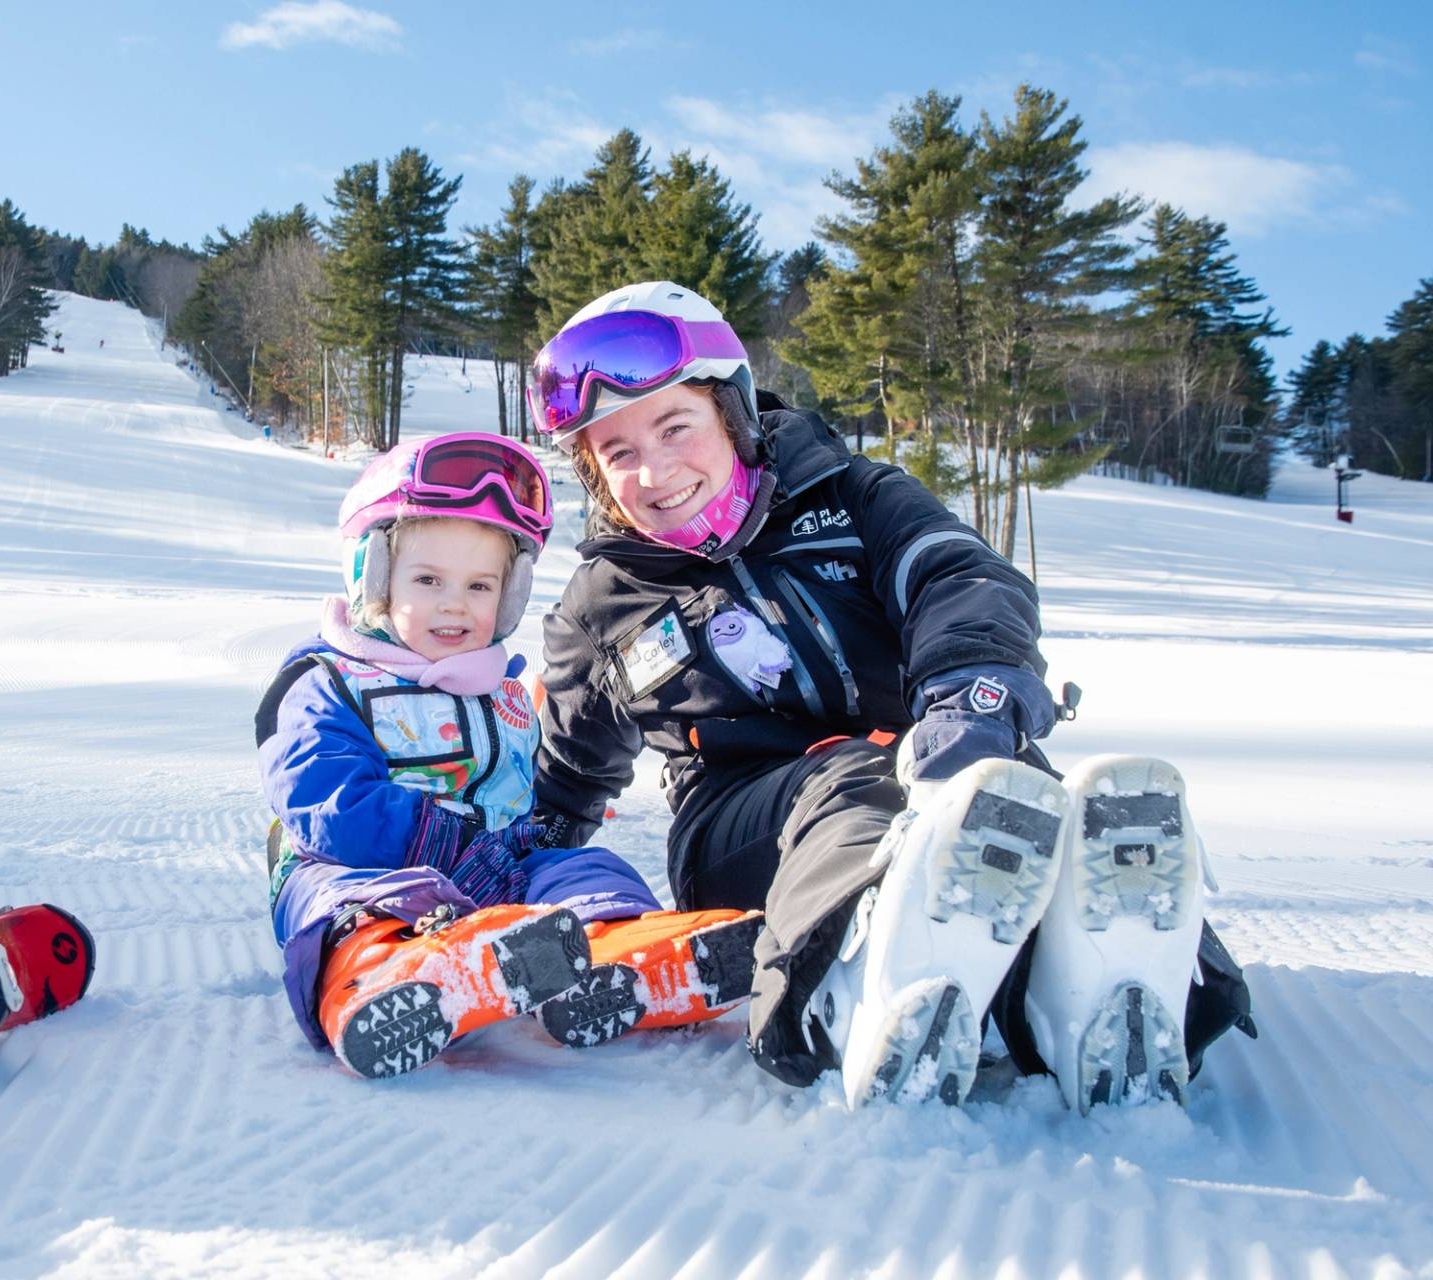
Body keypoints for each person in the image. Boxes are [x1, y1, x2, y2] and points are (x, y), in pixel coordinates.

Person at [526, 281, 1256, 1111]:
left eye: (674, 426)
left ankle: (1080, 991)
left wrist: (967, 702)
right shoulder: (602, 602)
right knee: (858, 778)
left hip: (938, 757)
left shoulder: (855, 497)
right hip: (742, 830)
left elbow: (962, 581)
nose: (654, 471)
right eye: (618, 452)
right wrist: (507, 864)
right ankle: (852, 983)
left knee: (1024, 802)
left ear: (730, 413)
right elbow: (567, 778)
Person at [255, 431, 763, 1079]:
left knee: (584, 870)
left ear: (510, 595)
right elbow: (327, 807)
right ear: (375, 579)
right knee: (348, 916)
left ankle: (619, 959)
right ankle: (392, 982)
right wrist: (450, 848)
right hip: (364, 872)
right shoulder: (328, 681)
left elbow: (523, 789)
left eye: (479, 586)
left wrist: (528, 846)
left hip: (497, 874)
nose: (453, 603)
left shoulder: (500, 690)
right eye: (428, 579)